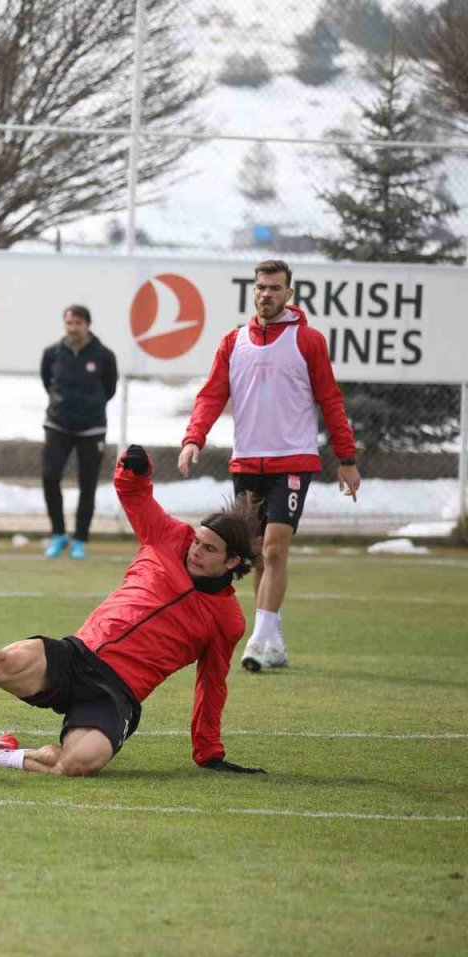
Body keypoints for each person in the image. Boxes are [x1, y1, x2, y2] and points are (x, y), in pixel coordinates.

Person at [0, 445, 266, 778]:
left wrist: (209, 752)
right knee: (2, 661)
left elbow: (212, 684)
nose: (195, 551)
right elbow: (136, 495)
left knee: (79, 763)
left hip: (117, 693)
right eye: (198, 541)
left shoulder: (227, 620)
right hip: (79, 653)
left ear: (233, 561)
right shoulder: (169, 537)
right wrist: (135, 468)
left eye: (209, 550)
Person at [178, 258, 361, 672]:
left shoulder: (308, 341)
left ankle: (259, 642)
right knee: (257, 554)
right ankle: (273, 640)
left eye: (275, 288)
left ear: (289, 294)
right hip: (247, 462)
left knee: (276, 548)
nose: (266, 294)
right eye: (261, 287)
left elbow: (330, 399)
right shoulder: (233, 341)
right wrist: (194, 438)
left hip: (294, 461)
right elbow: (211, 395)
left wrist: (346, 458)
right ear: (254, 290)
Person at [39, 304, 118, 560]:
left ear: (87, 325)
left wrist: (89, 407)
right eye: (69, 324)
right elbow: (47, 382)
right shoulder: (52, 354)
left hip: (91, 429)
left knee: (88, 484)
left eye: (78, 324)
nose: (73, 329)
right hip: (57, 425)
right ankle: (58, 534)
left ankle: (80, 540)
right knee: (50, 477)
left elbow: (109, 389)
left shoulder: (104, 355)